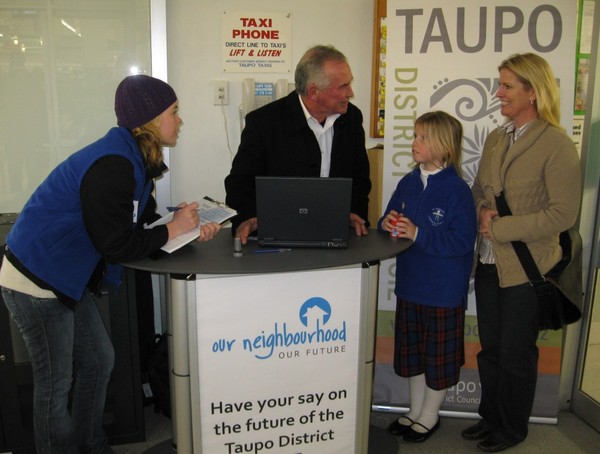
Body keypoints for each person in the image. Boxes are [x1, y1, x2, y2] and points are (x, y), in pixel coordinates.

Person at [0, 74, 222, 453]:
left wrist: (185, 225)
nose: (180, 120)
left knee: (99, 362)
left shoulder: (135, 160)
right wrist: (171, 230)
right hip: (35, 279)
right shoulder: (113, 165)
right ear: (151, 120)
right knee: (55, 383)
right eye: (174, 112)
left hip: (63, 277)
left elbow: (142, 226)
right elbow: (118, 243)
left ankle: (89, 446)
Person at [463, 53, 581, 452]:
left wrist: (499, 226)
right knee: (492, 349)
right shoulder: (497, 138)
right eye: (500, 84)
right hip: (489, 263)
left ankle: (512, 429)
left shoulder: (556, 144)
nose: (498, 93)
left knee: (516, 355)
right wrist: (481, 209)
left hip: (528, 270)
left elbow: (564, 213)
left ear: (532, 92)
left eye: (507, 86)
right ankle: (491, 418)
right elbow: (480, 188)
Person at [378, 111, 477, 443]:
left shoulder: (457, 190)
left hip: (443, 291)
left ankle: (430, 415)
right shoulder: (408, 181)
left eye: (423, 137)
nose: (414, 142)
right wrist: (388, 223)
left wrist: (419, 233)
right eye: (415, 135)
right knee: (414, 356)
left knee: (437, 358)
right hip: (410, 285)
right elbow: (387, 220)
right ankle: (414, 410)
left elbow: (462, 242)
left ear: (444, 145)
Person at [224, 44, 371, 243]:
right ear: (313, 92)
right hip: (278, 237)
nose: (350, 93)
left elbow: (360, 177)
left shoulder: (352, 118)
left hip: (336, 236)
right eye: (343, 86)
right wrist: (247, 217)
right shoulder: (264, 123)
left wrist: (354, 212)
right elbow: (240, 182)